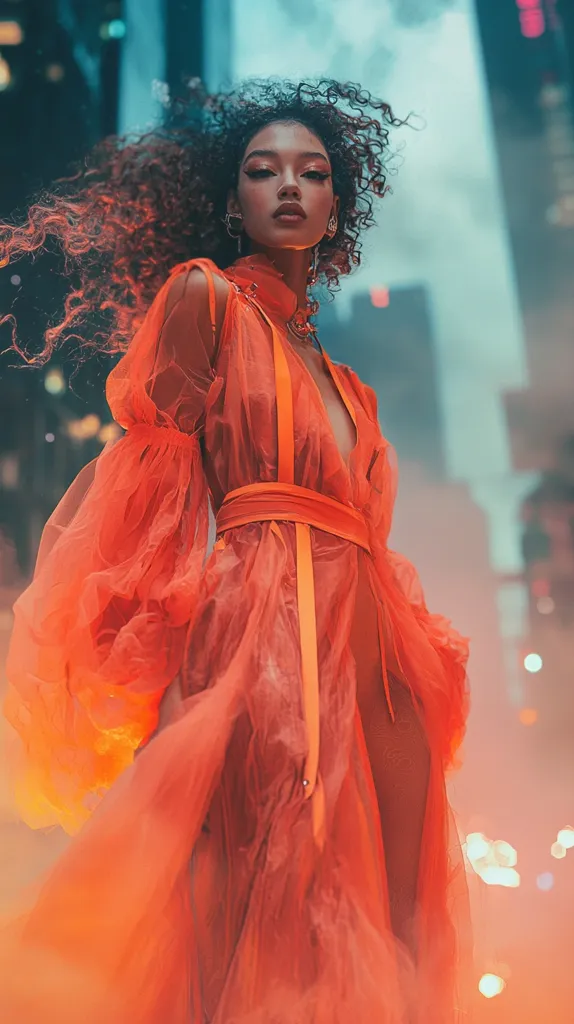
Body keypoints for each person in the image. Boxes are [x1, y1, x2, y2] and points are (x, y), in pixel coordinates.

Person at [0, 79, 472, 1023]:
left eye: (314, 172)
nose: (290, 186)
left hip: (378, 649)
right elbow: (150, 491)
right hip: (258, 622)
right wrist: (163, 651)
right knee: (254, 880)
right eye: (264, 171)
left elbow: (371, 541)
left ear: (339, 206)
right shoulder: (205, 300)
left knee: (401, 908)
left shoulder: (352, 388)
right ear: (233, 200)